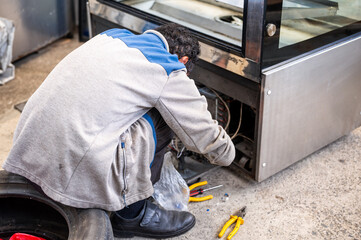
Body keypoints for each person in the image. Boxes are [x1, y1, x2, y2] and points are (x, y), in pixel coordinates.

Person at [3, 23, 235, 238]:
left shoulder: (110, 37)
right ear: (183, 60)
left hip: (28, 150)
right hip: (74, 166)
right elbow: (204, 136)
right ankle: (133, 214)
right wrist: (228, 154)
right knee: (165, 117)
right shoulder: (167, 68)